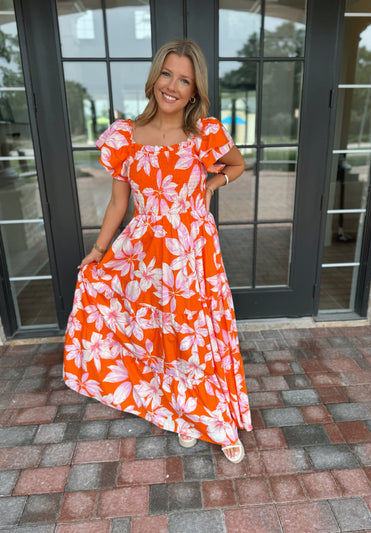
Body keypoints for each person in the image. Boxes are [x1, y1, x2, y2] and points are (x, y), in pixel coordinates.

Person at [63, 39, 252, 463]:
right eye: (167, 74)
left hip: (193, 253)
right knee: (165, 336)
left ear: (194, 90)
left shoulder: (204, 133)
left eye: (184, 80)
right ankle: (185, 414)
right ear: (154, 77)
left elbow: (237, 165)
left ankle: (219, 420)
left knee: (198, 337)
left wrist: (209, 184)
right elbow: (118, 203)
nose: (173, 85)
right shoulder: (125, 137)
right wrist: (98, 250)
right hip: (147, 256)